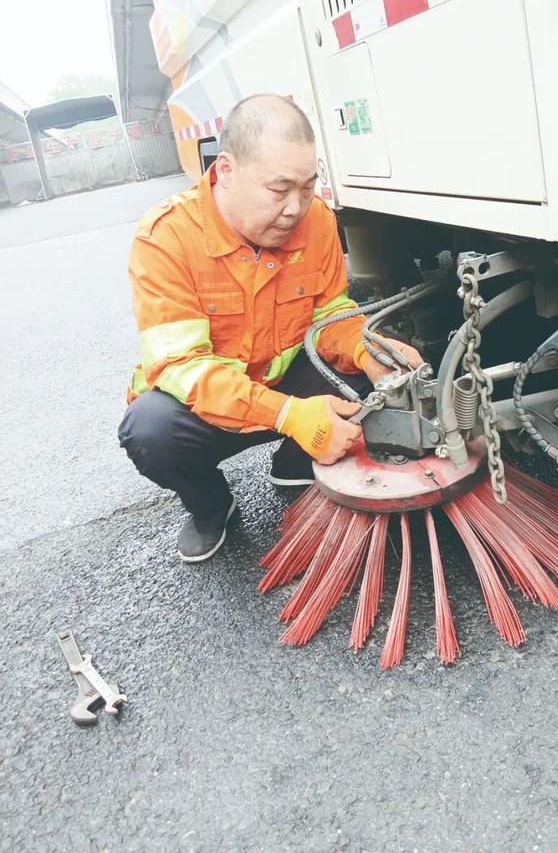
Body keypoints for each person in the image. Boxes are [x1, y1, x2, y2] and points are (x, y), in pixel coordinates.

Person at [118, 95, 421, 563]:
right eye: (279, 189)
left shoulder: (317, 220)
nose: (296, 207)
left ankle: (295, 463)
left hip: (288, 386)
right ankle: (211, 508)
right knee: (150, 431)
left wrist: (367, 350)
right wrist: (288, 416)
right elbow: (184, 368)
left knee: (370, 379)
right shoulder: (166, 238)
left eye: (307, 186)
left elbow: (330, 317)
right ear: (226, 169)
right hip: (208, 409)